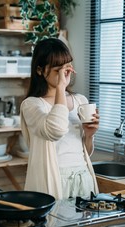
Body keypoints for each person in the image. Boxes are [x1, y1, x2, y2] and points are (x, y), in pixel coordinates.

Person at [20, 38, 100, 200]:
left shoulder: (80, 101)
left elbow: (86, 153)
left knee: (86, 226)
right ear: (40, 70)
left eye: (68, 67)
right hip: (53, 181)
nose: (66, 74)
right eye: (58, 70)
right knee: (54, 224)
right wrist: (61, 88)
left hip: (83, 178)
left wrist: (89, 135)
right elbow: (56, 130)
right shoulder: (32, 105)